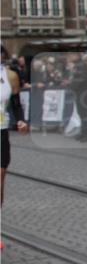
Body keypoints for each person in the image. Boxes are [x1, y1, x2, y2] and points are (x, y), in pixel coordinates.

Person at [1, 46, 29, 205]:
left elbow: (16, 104)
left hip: (1, 131)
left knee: (0, 176)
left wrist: (21, 120)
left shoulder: (10, 76)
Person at [69, 53, 87, 141]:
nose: (70, 56)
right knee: (81, 113)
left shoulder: (81, 66)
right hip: (81, 91)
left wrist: (71, 86)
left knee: (84, 113)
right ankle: (83, 132)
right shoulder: (80, 65)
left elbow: (81, 79)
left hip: (83, 91)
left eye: (71, 55)